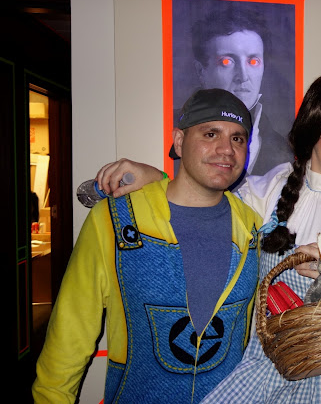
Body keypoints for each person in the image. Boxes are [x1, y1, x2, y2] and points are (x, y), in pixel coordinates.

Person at [90, 73, 321, 403]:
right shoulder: (270, 191)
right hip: (273, 369)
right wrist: (158, 179)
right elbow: (205, 197)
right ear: (311, 129)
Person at [32, 89, 262, 403]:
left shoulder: (253, 229)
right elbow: (70, 332)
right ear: (179, 141)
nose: (227, 149)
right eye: (211, 134)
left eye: (237, 138)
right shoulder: (114, 220)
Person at [184, 3, 293, 181]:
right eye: (227, 62)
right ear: (201, 71)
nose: (243, 77)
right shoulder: (176, 130)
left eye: (253, 62)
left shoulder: (285, 151)